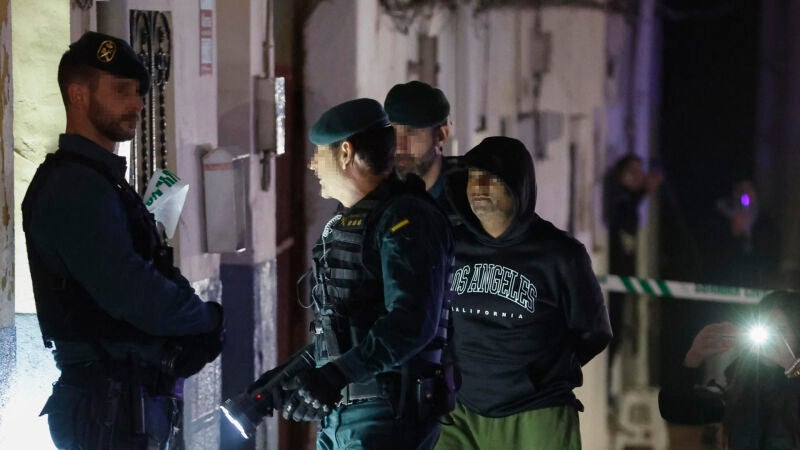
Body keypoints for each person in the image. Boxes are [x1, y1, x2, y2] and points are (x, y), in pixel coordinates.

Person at [22, 31, 224, 449]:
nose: (136, 104)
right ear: (78, 95)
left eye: (137, 93)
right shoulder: (74, 185)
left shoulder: (102, 180)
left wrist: (197, 322)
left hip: (123, 401)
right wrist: (203, 320)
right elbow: (129, 288)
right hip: (105, 407)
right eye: (120, 91)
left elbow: (150, 269)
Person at [271, 98, 454, 449]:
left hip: (384, 416)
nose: (311, 164)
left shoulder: (406, 219)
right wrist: (278, 383)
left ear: (345, 153)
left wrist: (338, 374)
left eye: (318, 153)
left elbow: (412, 322)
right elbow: (342, 329)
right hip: (342, 418)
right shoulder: (350, 222)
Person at [436, 136, 613, 449]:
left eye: (491, 179)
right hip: (461, 410)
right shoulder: (452, 245)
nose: (479, 188)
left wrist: (541, 374)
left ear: (517, 185)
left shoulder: (560, 254)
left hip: (536, 413)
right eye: (473, 178)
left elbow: (594, 332)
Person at [658, 290, 800, 449]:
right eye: (766, 328)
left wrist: (792, 367)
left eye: (780, 329)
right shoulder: (743, 386)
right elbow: (674, 409)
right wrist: (694, 357)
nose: (772, 338)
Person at [602, 154, 662, 377]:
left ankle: (608, 378)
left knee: (619, 329)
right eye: (633, 172)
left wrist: (646, 188)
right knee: (612, 327)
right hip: (614, 274)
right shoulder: (620, 200)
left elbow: (638, 195)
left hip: (623, 277)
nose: (639, 176)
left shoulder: (628, 199)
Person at [383, 80, 455, 202]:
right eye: (393, 131)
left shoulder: (466, 196)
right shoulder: (378, 195)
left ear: (440, 136)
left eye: (411, 131)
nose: (399, 146)